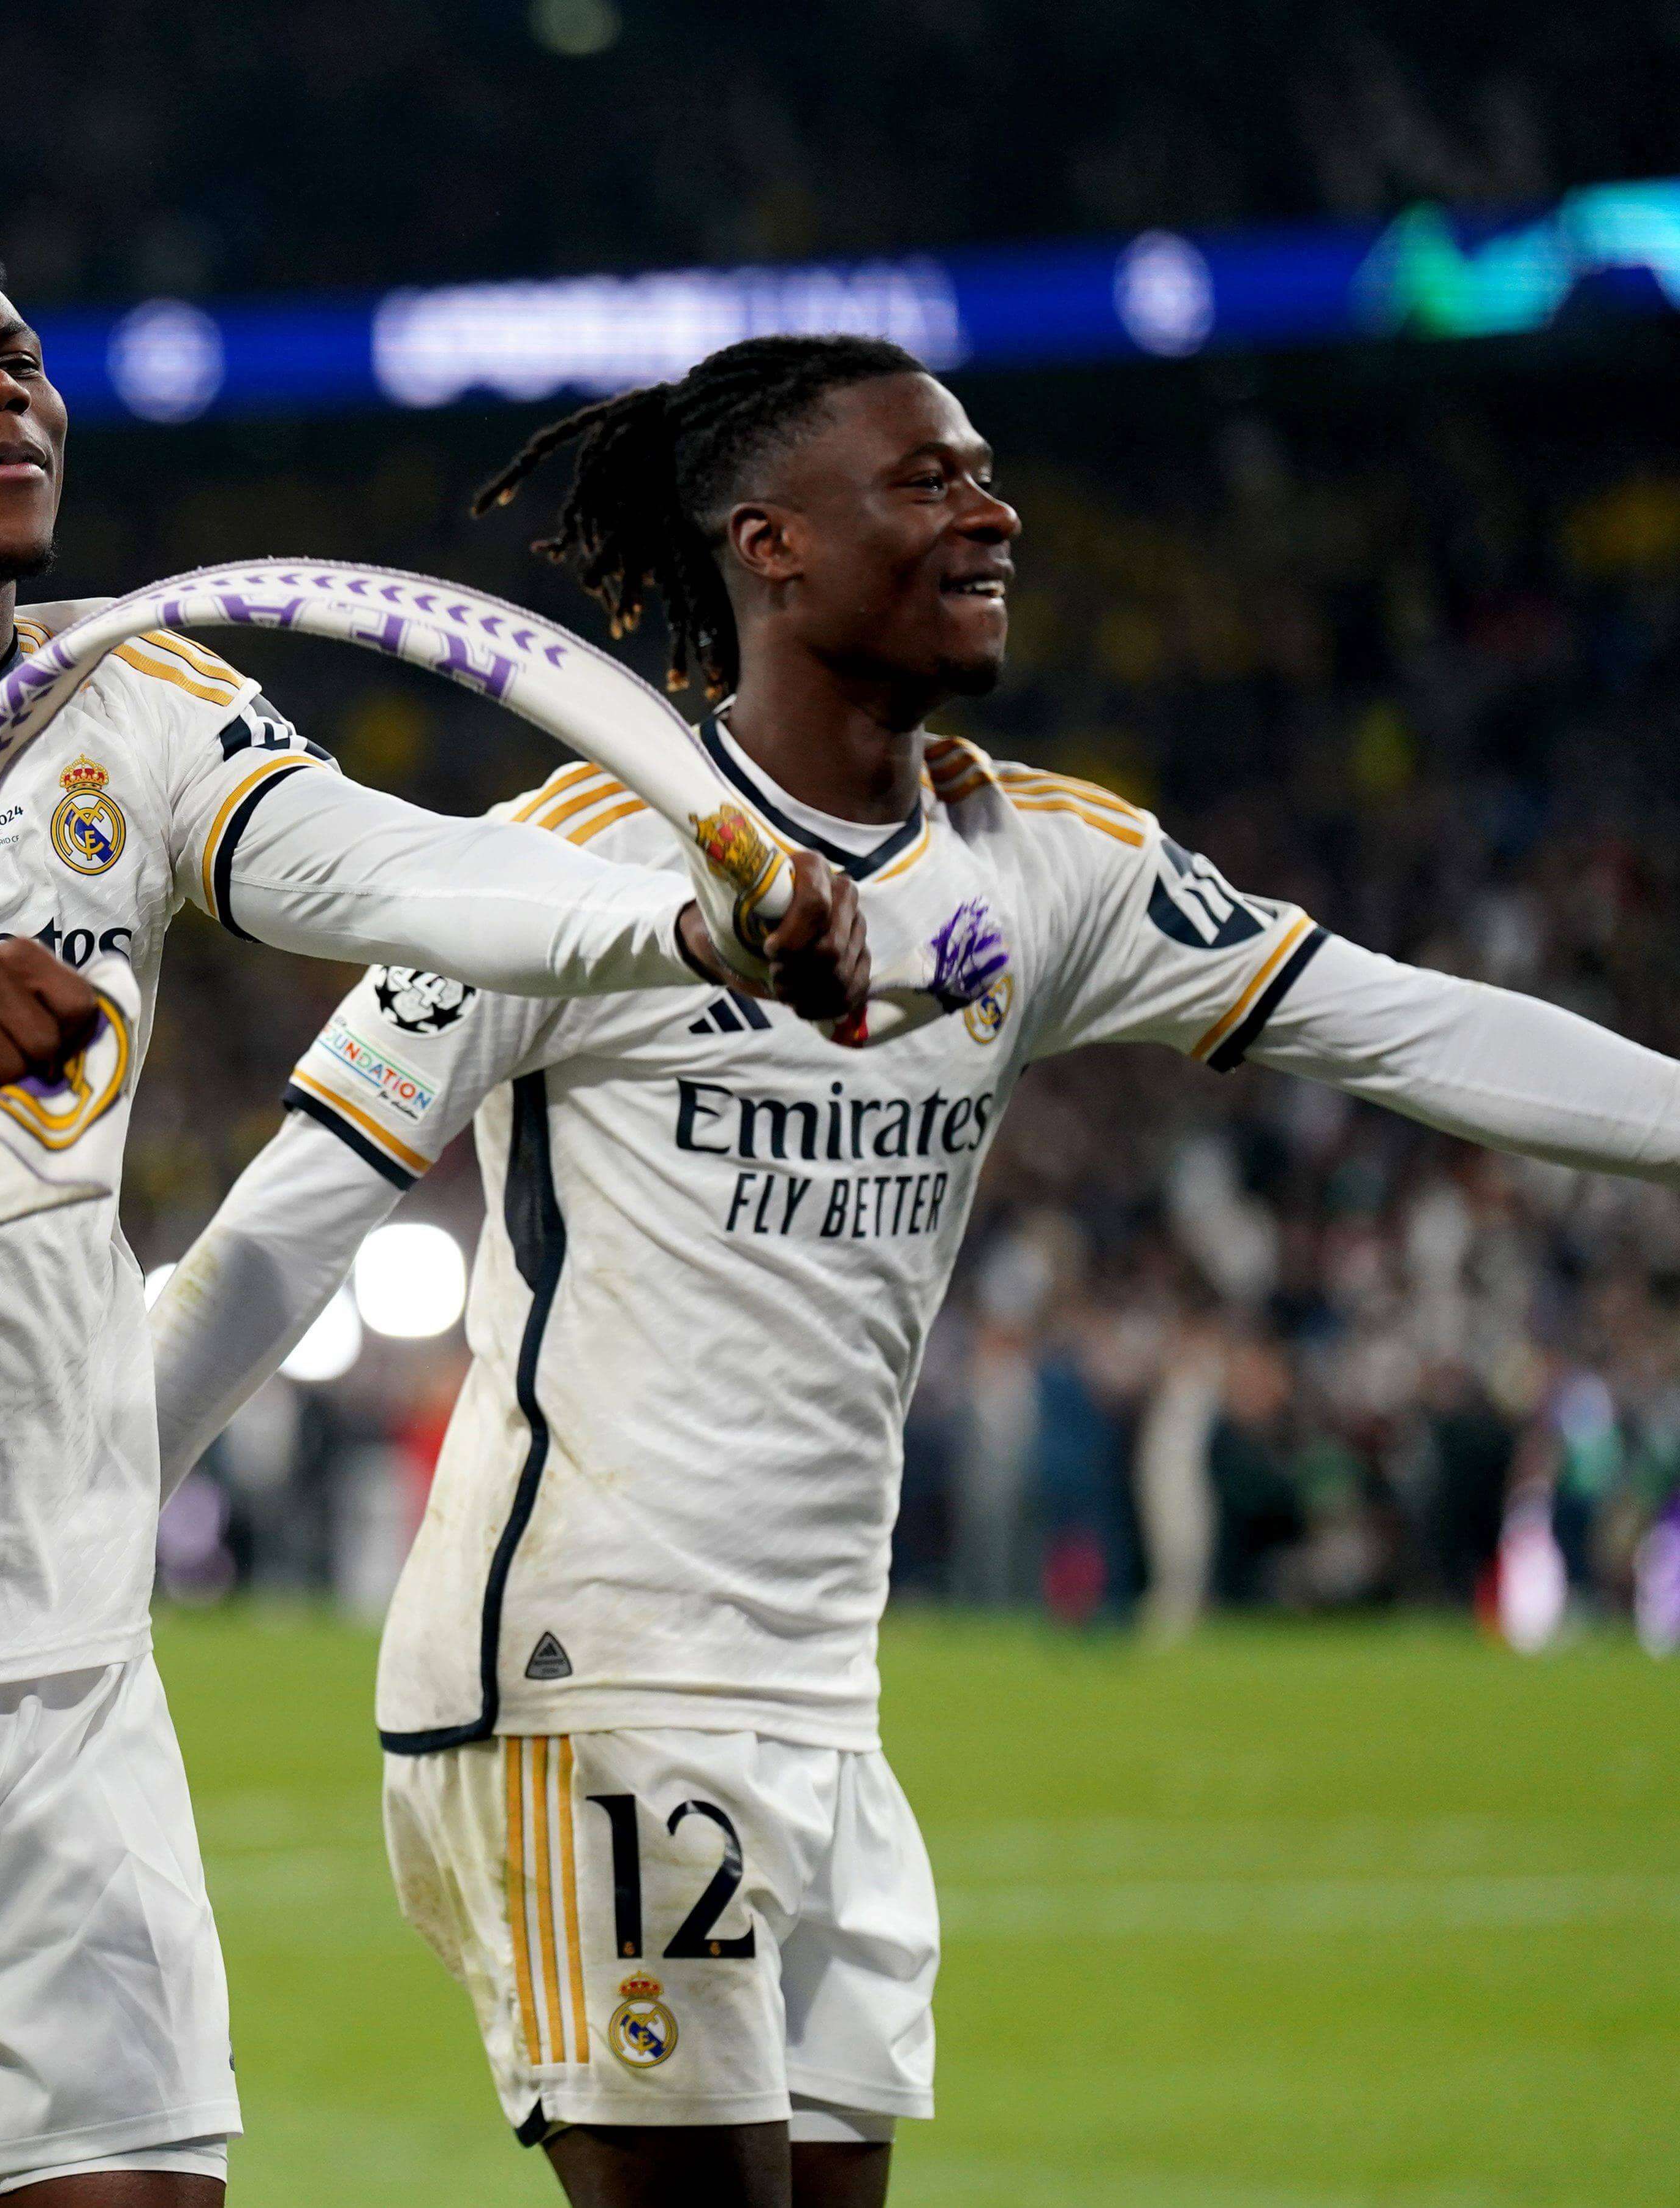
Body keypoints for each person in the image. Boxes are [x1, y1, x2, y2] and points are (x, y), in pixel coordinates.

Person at [146, 333, 1680, 2208]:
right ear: (771, 544)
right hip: (585, 1677)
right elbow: (290, 1220)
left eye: (986, 472)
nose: (994, 511)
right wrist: (88, 1505)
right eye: (929, 479)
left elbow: (1402, 1021)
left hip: (821, 1700)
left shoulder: (1045, 864)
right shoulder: (564, 868)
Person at [0, 181, 863, 2208]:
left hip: (69, 1667)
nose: (0, 394)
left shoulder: (140, 699)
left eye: (16, 358)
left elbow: (391, 865)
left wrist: (679, 919)